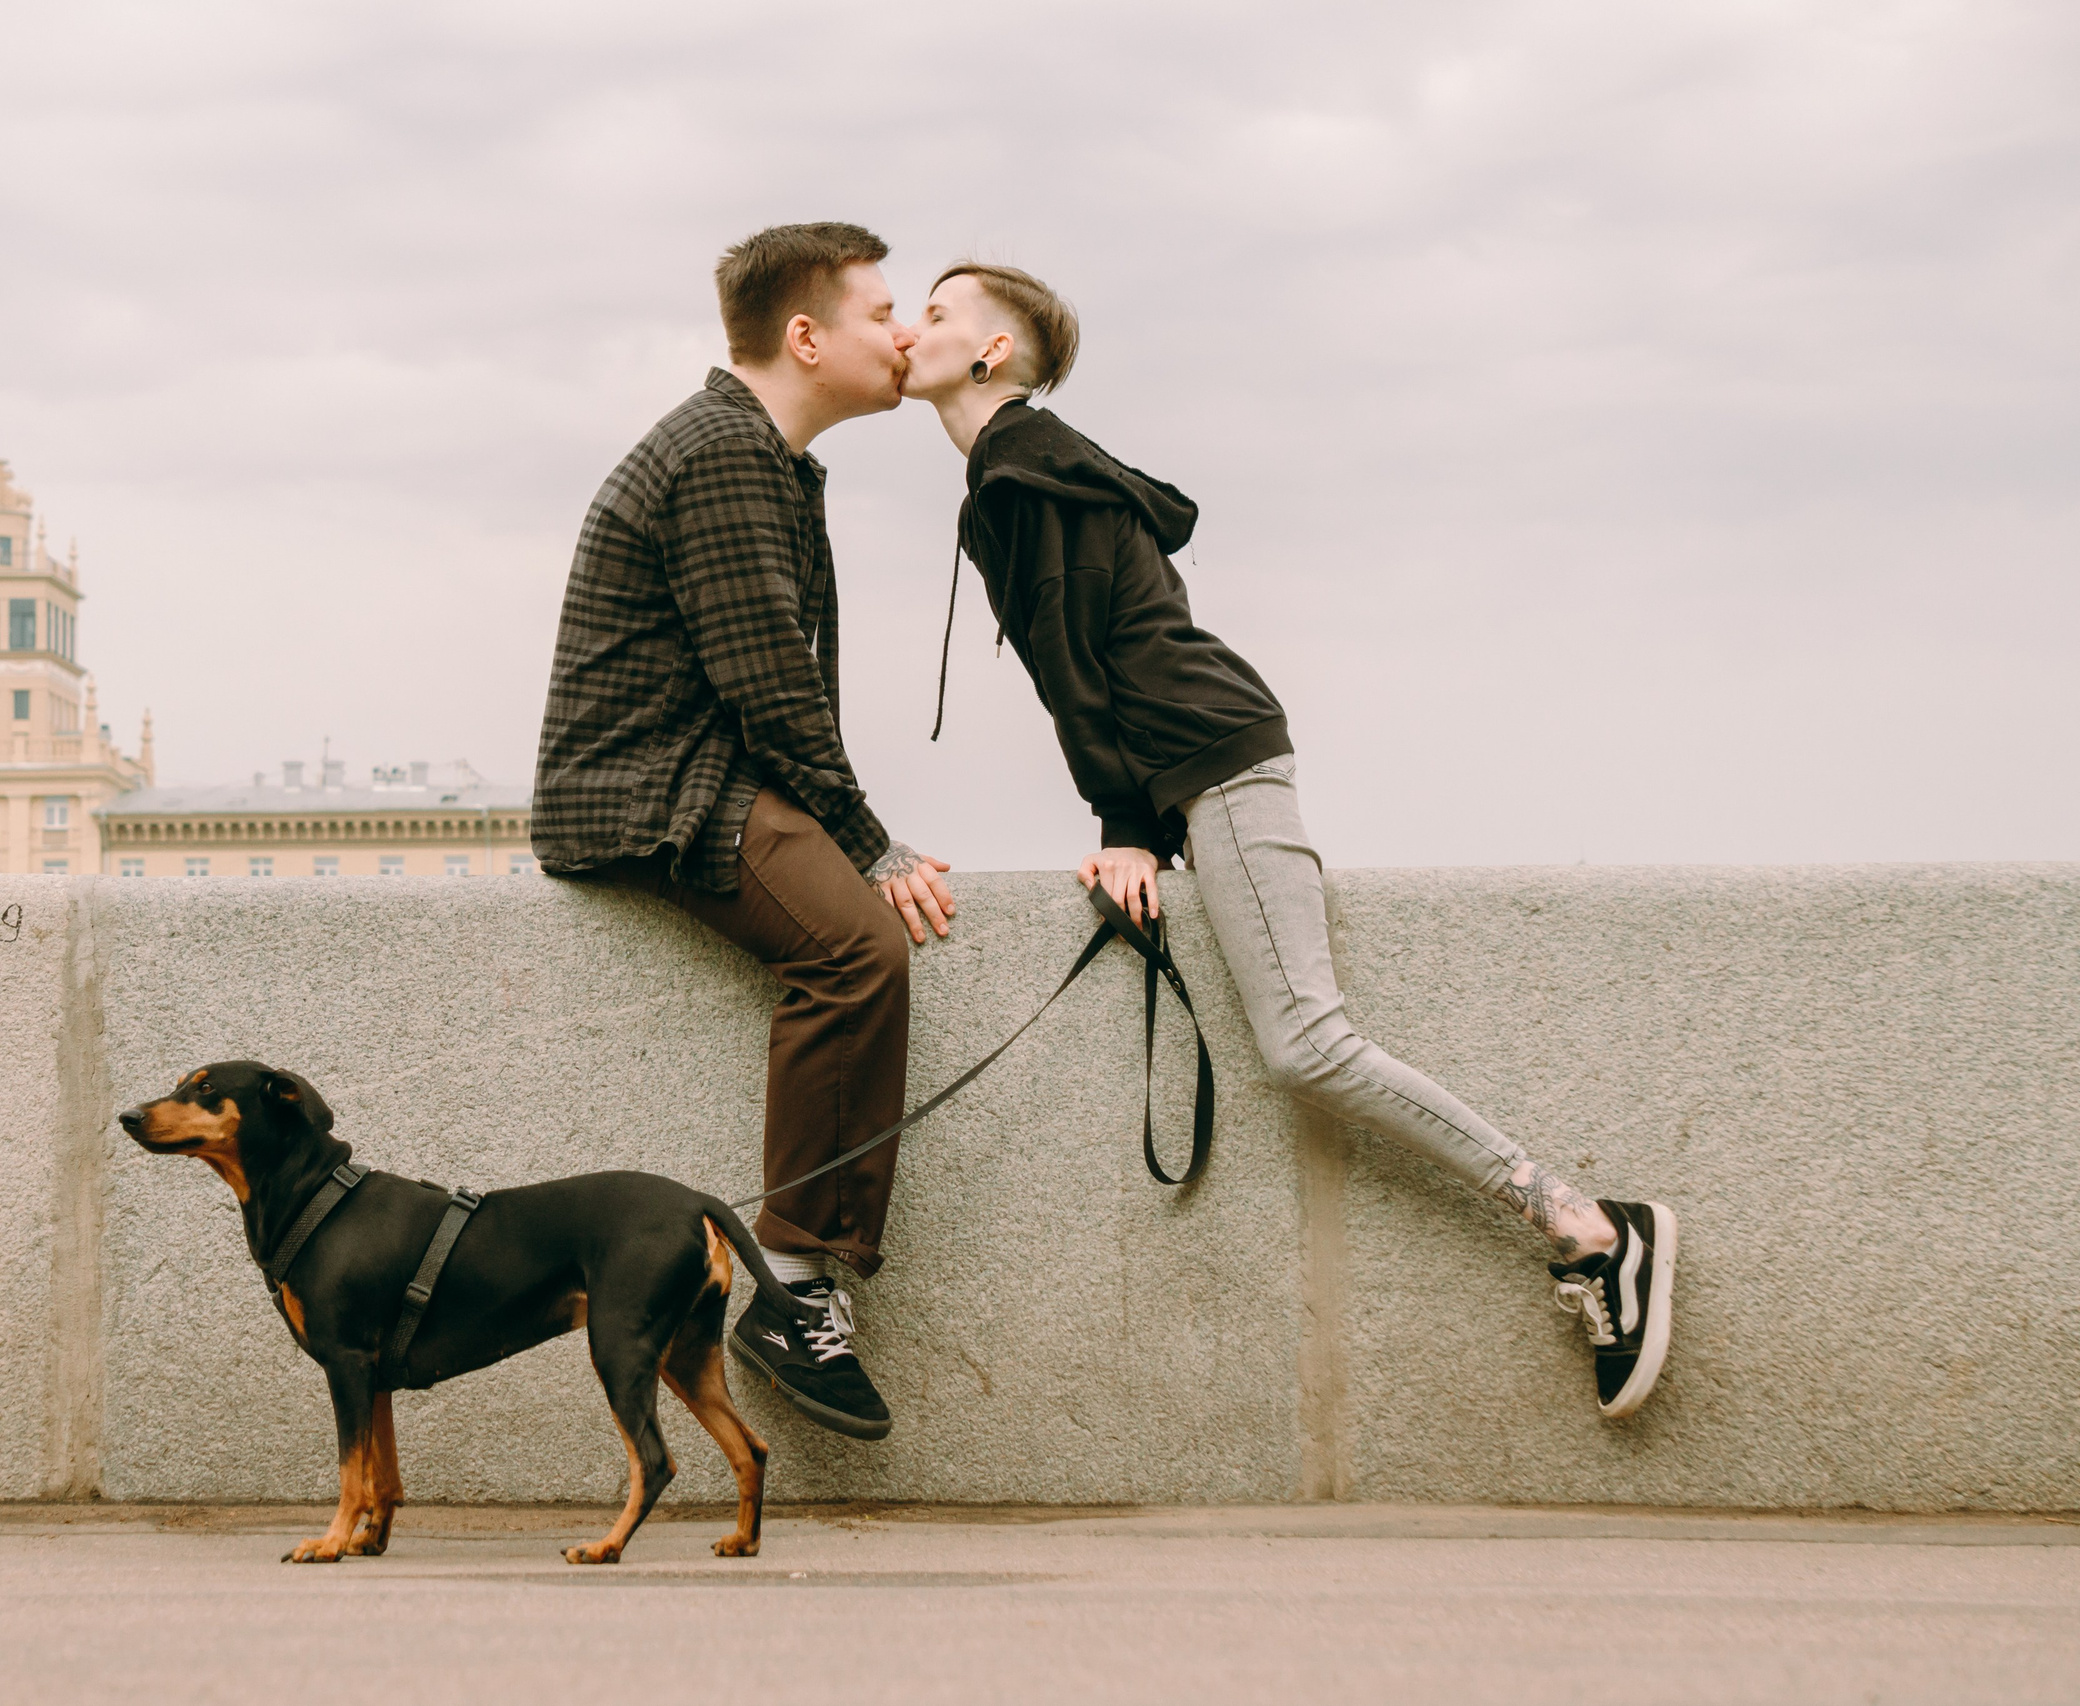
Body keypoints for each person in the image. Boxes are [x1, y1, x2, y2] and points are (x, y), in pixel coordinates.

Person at [900, 262, 1678, 1417]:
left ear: (990, 353)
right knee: (1305, 1041)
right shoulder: (1024, 466)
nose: (906, 325)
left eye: (933, 310)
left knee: (1308, 1043)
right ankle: (1583, 1224)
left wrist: (1123, 828)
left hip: (1209, 756)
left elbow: (1076, 668)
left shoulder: (1017, 474)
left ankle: (1587, 1226)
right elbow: (1097, 647)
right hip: (1205, 757)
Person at [531, 223, 959, 1442]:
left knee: (860, 941)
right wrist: (872, 846)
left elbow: (769, 691)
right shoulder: (723, 452)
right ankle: (792, 1286)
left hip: (701, 771)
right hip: (647, 785)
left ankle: (801, 1276)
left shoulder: (754, 453)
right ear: (806, 335)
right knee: (856, 948)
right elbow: (771, 684)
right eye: (885, 314)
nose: (907, 334)